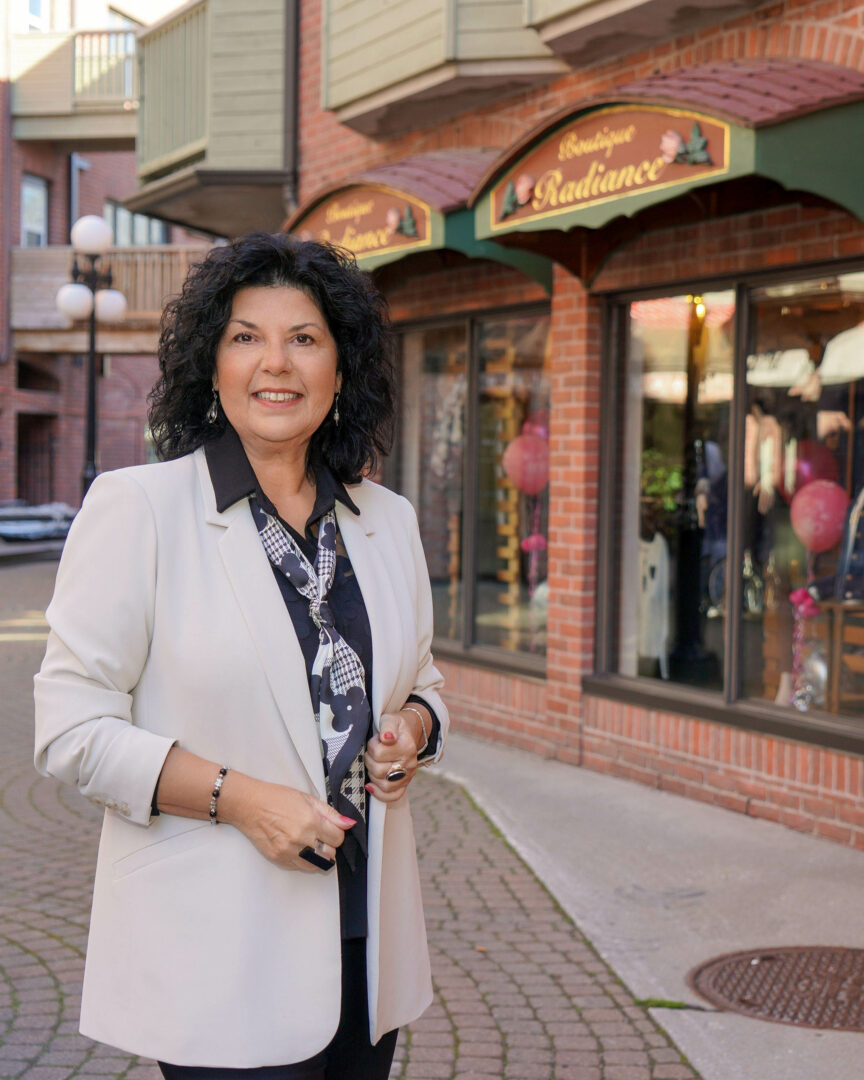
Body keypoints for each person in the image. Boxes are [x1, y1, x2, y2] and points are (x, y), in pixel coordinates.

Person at [33, 233, 448, 1079]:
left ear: (341, 370)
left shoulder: (388, 520)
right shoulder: (139, 509)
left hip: (365, 940)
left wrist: (412, 726)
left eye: (304, 338)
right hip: (218, 954)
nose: (277, 363)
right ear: (212, 367)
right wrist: (240, 799)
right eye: (246, 336)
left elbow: (426, 680)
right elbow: (71, 730)